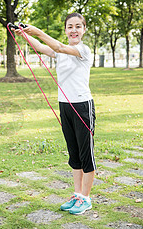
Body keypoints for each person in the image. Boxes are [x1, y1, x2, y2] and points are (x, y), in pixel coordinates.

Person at [12, 12, 96, 215]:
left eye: (78, 26)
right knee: (74, 154)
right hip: (65, 106)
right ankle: (77, 195)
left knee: (86, 156)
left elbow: (57, 46)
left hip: (82, 106)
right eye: (70, 26)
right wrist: (23, 34)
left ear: (84, 29)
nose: (74, 30)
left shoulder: (83, 50)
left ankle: (86, 198)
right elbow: (41, 48)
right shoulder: (61, 52)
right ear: (65, 30)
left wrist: (38, 31)